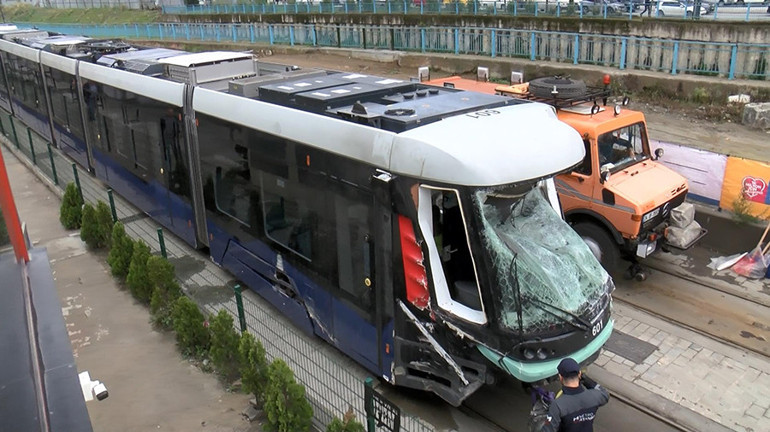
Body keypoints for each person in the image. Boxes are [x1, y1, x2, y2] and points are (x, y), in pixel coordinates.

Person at [540, 358, 609, 432]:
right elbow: (604, 392)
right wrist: (585, 380)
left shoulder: (558, 405)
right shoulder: (595, 396)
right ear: (579, 374)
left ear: (560, 377)